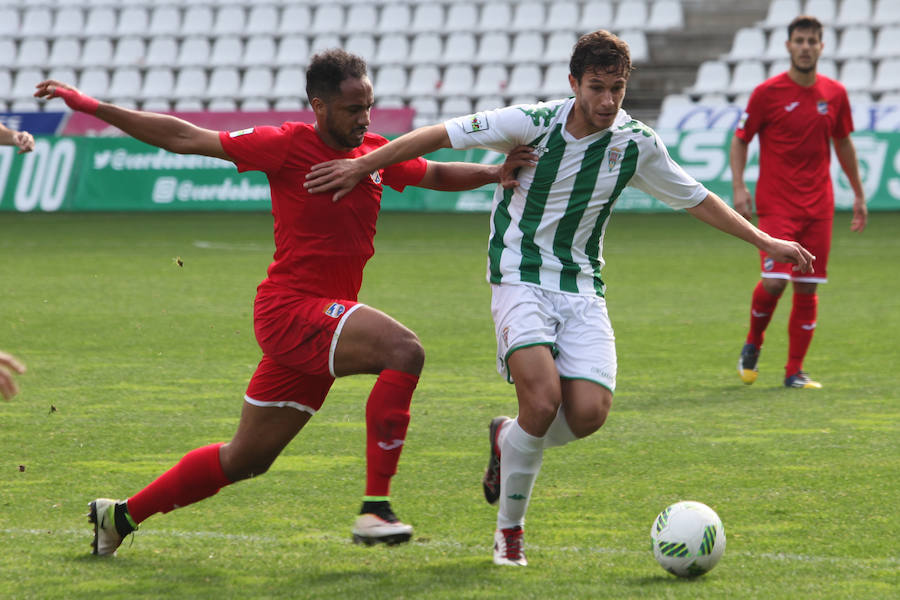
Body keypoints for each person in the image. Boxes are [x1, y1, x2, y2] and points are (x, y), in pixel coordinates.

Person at [304, 30, 815, 566]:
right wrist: (365, 164)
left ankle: (508, 441)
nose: (607, 101)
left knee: (590, 413)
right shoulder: (532, 122)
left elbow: (696, 198)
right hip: (518, 275)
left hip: (582, 287)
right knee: (543, 403)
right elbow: (437, 135)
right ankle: (509, 535)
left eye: (617, 88)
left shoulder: (636, 142)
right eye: (596, 87)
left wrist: (763, 240)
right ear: (573, 83)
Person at [34, 49, 528, 556]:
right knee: (404, 350)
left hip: (322, 322)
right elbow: (183, 137)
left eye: (369, 107)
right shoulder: (285, 144)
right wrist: (90, 105)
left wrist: (496, 174)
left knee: (246, 458)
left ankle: (118, 517)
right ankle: (376, 508)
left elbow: (437, 175)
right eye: (353, 109)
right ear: (319, 105)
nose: (365, 119)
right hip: (292, 310)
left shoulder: (375, 151)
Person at [731, 15, 867, 389]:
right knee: (775, 282)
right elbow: (741, 138)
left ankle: (794, 372)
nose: (806, 47)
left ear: (821, 47)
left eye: (812, 41)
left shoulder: (834, 94)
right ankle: (753, 343)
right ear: (788, 46)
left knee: (808, 287)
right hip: (776, 205)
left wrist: (857, 193)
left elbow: (842, 143)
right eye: (800, 40)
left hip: (819, 206)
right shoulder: (766, 93)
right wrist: (739, 185)